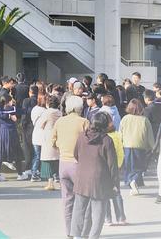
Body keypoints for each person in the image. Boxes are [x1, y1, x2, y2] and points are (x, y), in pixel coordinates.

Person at [70, 112, 119, 239]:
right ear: (104, 125)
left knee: (79, 209)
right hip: (100, 181)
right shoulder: (107, 140)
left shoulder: (82, 136)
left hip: (81, 178)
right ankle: (93, 236)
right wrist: (115, 184)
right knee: (99, 213)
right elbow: (112, 165)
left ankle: (77, 236)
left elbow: (75, 154)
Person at [52, 95, 89, 237]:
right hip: (78, 164)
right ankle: (79, 231)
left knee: (67, 200)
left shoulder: (60, 121)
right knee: (81, 200)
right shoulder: (84, 122)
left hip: (63, 163)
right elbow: (89, 142)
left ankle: (69, 232)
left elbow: (53, 142)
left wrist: (62, 148)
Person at [119, 98, 154, 195]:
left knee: (129, 167)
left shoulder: (125, 119)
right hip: (140, 146)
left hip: (127, 146)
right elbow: (149, 136)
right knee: (139, 166)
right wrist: (153, 147)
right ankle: (134, 180)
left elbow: (120, 133)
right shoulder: (144, 120)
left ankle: (131, 182)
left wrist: (119, 145)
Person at [0, 95, 28, 181]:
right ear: (9, 101)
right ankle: (20, 174)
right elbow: (23, 111)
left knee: (0, 154)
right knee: (17, 154)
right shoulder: (12, 109)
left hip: (2, 133)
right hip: (12, 133)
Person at [104, 112, 127, 226]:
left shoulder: (102, 137)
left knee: (104, 194)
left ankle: (108, 218)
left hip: (104, 168)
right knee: (116, 192)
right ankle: (121, 217)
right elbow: (120, 152)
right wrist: (119, 164)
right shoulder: (116, 135)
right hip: (115, 167)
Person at [34, 93, 61, 188]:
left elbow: (40, 124)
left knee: (48, 160)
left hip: (48, 136)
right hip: (58, 135)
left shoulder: (47, 112)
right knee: (57, 159)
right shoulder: (60, 113)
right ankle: (58, 180)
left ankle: (50, 182)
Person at [20, 84, 39, 175]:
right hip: (37, 126)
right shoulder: (39, 100)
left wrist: (22, 124)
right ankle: (36, 167)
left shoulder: (26, 101)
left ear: (30, 92)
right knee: (36, 147)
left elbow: (24, 114)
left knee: (27, 147)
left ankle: (27, 167)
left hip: (27, 126)